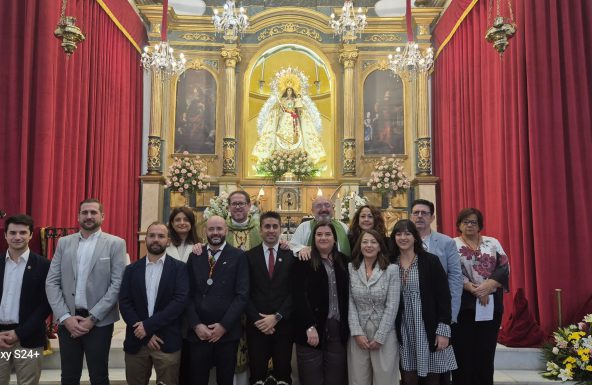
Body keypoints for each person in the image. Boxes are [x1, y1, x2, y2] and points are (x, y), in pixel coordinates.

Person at [45, 198, 126, 385]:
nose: (89, 216)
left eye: (93, 212)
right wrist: (65, 317)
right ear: (78, 216)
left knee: (98, 377)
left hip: (99, 322)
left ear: (102, 216)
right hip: (68, 321)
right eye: (85, 212)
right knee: (68, 377)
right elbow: (52, 281)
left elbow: (117, 285)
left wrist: (92, 318)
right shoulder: (64, 243)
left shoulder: (116, 244)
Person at [119, 222, 188, 385]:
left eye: (161, 236)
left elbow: (178, 303)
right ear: (146, 239)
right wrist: (145, 333)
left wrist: (147, 328)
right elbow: (125, 302)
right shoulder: (131, 269)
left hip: (166, 341)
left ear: (168, 241)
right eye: (152, 236)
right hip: (136, 342)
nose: (156, 240)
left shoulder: (180, 269)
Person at [391, 219, 456, 385]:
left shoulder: (430, 261)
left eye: (407, 233)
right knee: (408, 377)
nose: (403, 237)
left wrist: (443, 330)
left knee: (433, 378)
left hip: (429, 328)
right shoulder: (391, 263)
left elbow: (443, 297)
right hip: (404, 328)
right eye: (398, 234)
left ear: (415, 237)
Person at [185, 215, 249, 385]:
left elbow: (242, 295)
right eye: (211, 229)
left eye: (219, 229)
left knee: (225, 379)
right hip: (199, 333)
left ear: (226, 231)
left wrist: (223, 326)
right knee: (197, 379)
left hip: (227, 333)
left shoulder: (238, 256)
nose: (215, 232)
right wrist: (196, 325)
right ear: (205, 231)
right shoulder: (195, 256)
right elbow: (187, 294)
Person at [451, 208, 509, 385]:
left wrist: (487, 287)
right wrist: (471, 287)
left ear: (480, 225)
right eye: (465, 221)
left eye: (473, 222)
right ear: (459, 225)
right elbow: (449, 270)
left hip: (490, 305)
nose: (469, 225)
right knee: (463, 353)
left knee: (485, 352)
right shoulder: (451, 244)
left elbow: (504, 267)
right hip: (463, 306)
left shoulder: (492, 242)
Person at [410, 199, 463, 385]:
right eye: (416, 212)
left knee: (439, 367)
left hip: (439, 312)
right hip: (412, 315)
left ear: (432, 217)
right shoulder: (403, 241)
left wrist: (449, 317)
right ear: (410, 216)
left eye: (424, 213)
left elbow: (455, 279)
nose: (419, 216)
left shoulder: (446, 242)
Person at [292, 223, 349, 385]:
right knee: (312, 379)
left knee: (335, 379)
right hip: (312, 329)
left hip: (337, 330)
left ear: (334, 239)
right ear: (313, 239)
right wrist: (309, 326)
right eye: (319, 234)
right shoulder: (304, 261)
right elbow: (298, 297)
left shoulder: (344, 262)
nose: (323, 237)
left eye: (327, 234)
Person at [244, 211, 294, 385]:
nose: (271, 230)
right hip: (257, 327)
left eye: (275, 226)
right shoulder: (249, 256)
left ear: (280, 229)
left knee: (283, 374)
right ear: (260, 230)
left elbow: (294, 292)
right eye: (267, 226)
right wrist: (258, 320)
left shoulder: (291, 256)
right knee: (256, 374)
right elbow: (244, 292)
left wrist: (277, 316)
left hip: (283, 326)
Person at [0, 215, 51, 385]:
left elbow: (46, 304)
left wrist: (19, 333)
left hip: (28, 340)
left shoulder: (45, 265)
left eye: (23, 232)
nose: (17, 237)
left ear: (30, 235)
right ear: (5, 235)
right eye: (12, 232)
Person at [348, 229, 400, 385]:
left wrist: (380, 336)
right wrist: (356, 332)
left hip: (384, 333)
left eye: (373, 242)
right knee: (358, 379)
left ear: (379, 246)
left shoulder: (391, 270)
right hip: (358, 333)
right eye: (365, 242)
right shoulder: (351, 268)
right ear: (360, 246)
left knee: (385, 379)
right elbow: (349, 302)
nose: (369, 245)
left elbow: (392, 305)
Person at [252, 79, 326, 163]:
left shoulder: (296, 99)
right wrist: (278, 108)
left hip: (294, 118)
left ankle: (297, 150)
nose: (289, 91)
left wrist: (299, 105)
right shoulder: (282, 100)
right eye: (288, 90)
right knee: (283, 131)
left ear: (293, 91)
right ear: (286, 91)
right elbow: (277, 110)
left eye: (291, 90)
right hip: (285, 116)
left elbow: (300, 109)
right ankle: (281, 150)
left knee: (295, 132)